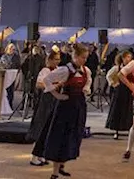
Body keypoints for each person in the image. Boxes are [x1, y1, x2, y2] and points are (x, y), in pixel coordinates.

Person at [40, 44, 91, 179]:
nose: (84, 60)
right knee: (60, 137)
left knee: (73, 136)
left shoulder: (86, 70)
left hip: (78, 106)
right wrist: (57, 95)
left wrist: (85, 91)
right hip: (65, 107)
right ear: (74, 56)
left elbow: (87, 84)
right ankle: (54, 172)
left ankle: (62, 165)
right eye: (82, 57)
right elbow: (47, 80)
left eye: (86, 58)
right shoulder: (65, 70)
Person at [28, 49, 62, 167]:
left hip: (55, 100)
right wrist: (52, 86)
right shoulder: (45, 70)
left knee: (49, 128)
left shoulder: (58, 70)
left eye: (59, 59)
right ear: (50, 60)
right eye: (56, 59)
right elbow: (39, 84)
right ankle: (35, 156)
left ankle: (42, 154)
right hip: (46, 100)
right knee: (41, 126)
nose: (58, 61)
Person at [104, 50, 134, 140]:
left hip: (128, 91)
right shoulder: (117, 68)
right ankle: (116, 131)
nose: (129, 59)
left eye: (130, 57)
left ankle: (129, 129)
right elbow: (108, 76)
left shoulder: (131, 68)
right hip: (119, 91)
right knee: (117, 110)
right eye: (127, 57)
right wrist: (114, 84)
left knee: (128, 110)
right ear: (123, 58)